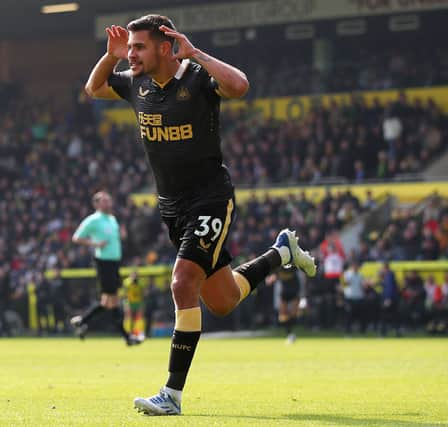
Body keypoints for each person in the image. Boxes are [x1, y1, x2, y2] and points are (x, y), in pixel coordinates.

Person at [84, 14, 317, 415]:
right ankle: (281, 253)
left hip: (209, 199)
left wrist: (196, 53)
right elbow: (94, 88)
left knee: (182, 282)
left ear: (165, 47)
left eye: (139, 47)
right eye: (130, 47)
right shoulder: (137, 83)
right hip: (172, 208)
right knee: (223, 300)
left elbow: (240, 86)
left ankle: (171, 394)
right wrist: (111, 56)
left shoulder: (196, 77)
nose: (132, 54)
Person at [69, 191, 140, 345]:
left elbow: (116, 238)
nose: (108, 203)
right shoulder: (93, 220)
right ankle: (127, 337)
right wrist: (95, 244)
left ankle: (81, 321)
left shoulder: (112, 219)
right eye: (104, 201)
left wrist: (122, 235)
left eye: (109, 200)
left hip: (114, 263)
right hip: (104, 263)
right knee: (113, 301)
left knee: (107, 302)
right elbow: (77, 238)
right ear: (96, 204)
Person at [275, 265, 305, 343]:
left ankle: (292, 333)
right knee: (282, 316)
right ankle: (289, 333)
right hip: (284, 292)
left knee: (293, 313)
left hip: (294, 291)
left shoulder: (293, 267)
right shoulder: (278, 268)